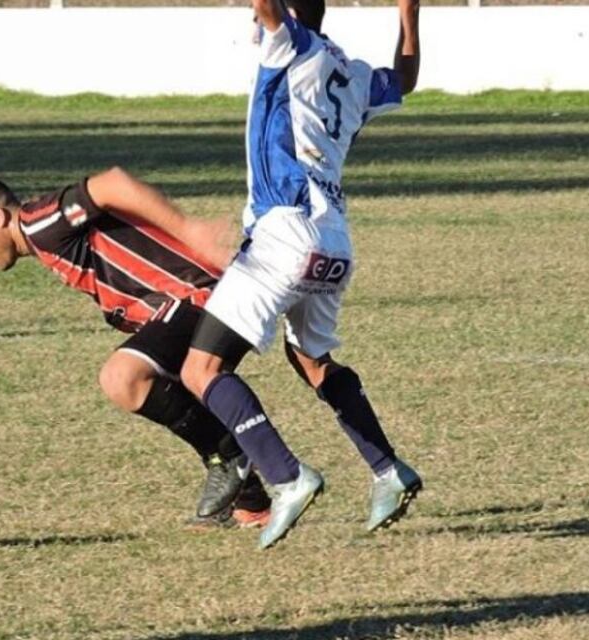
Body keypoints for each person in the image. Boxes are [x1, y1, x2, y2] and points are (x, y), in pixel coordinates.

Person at [171, 0, 424, 549]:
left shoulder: (289, 46)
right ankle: (388, 470)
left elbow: (267, 9)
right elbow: (404, 80)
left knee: (200, 369)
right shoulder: (354, 75)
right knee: (312, 360)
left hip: (284, 233)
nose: (253, 22)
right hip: (333, 242)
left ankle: (287, 478)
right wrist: (408, 12)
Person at [0, 169, 270, 529]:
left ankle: (229, 455)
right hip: (198, 300)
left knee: (123, 377)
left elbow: (113, 184)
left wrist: (190, 229)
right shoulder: (43, 240)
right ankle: (250, 501)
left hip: (200, 294)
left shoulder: (39, 223)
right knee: (167, 388)